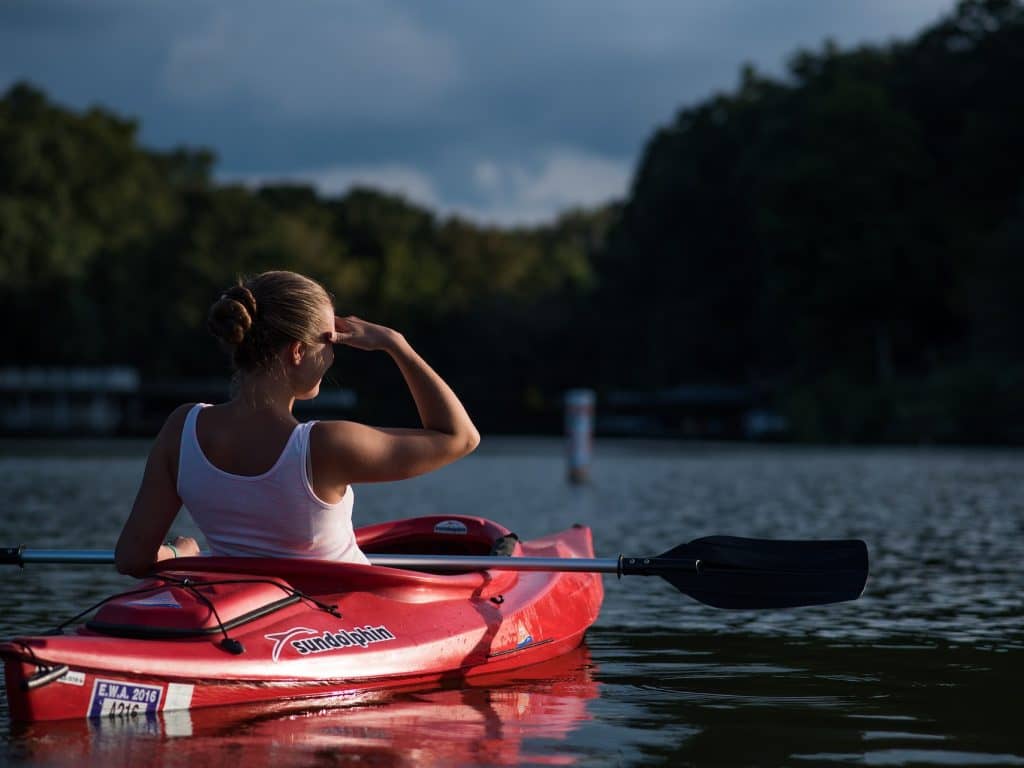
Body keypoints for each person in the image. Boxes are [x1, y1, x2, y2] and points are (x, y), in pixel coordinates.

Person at [114, 270, 480, 577]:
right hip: (340, 626)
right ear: (298, 352)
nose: (334, 354)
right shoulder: (325, 444)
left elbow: (132, 558)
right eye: (330, 341)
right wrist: (396, 345)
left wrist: (182, 557)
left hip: (247, 618)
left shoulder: (182, 428)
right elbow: (460, 437)